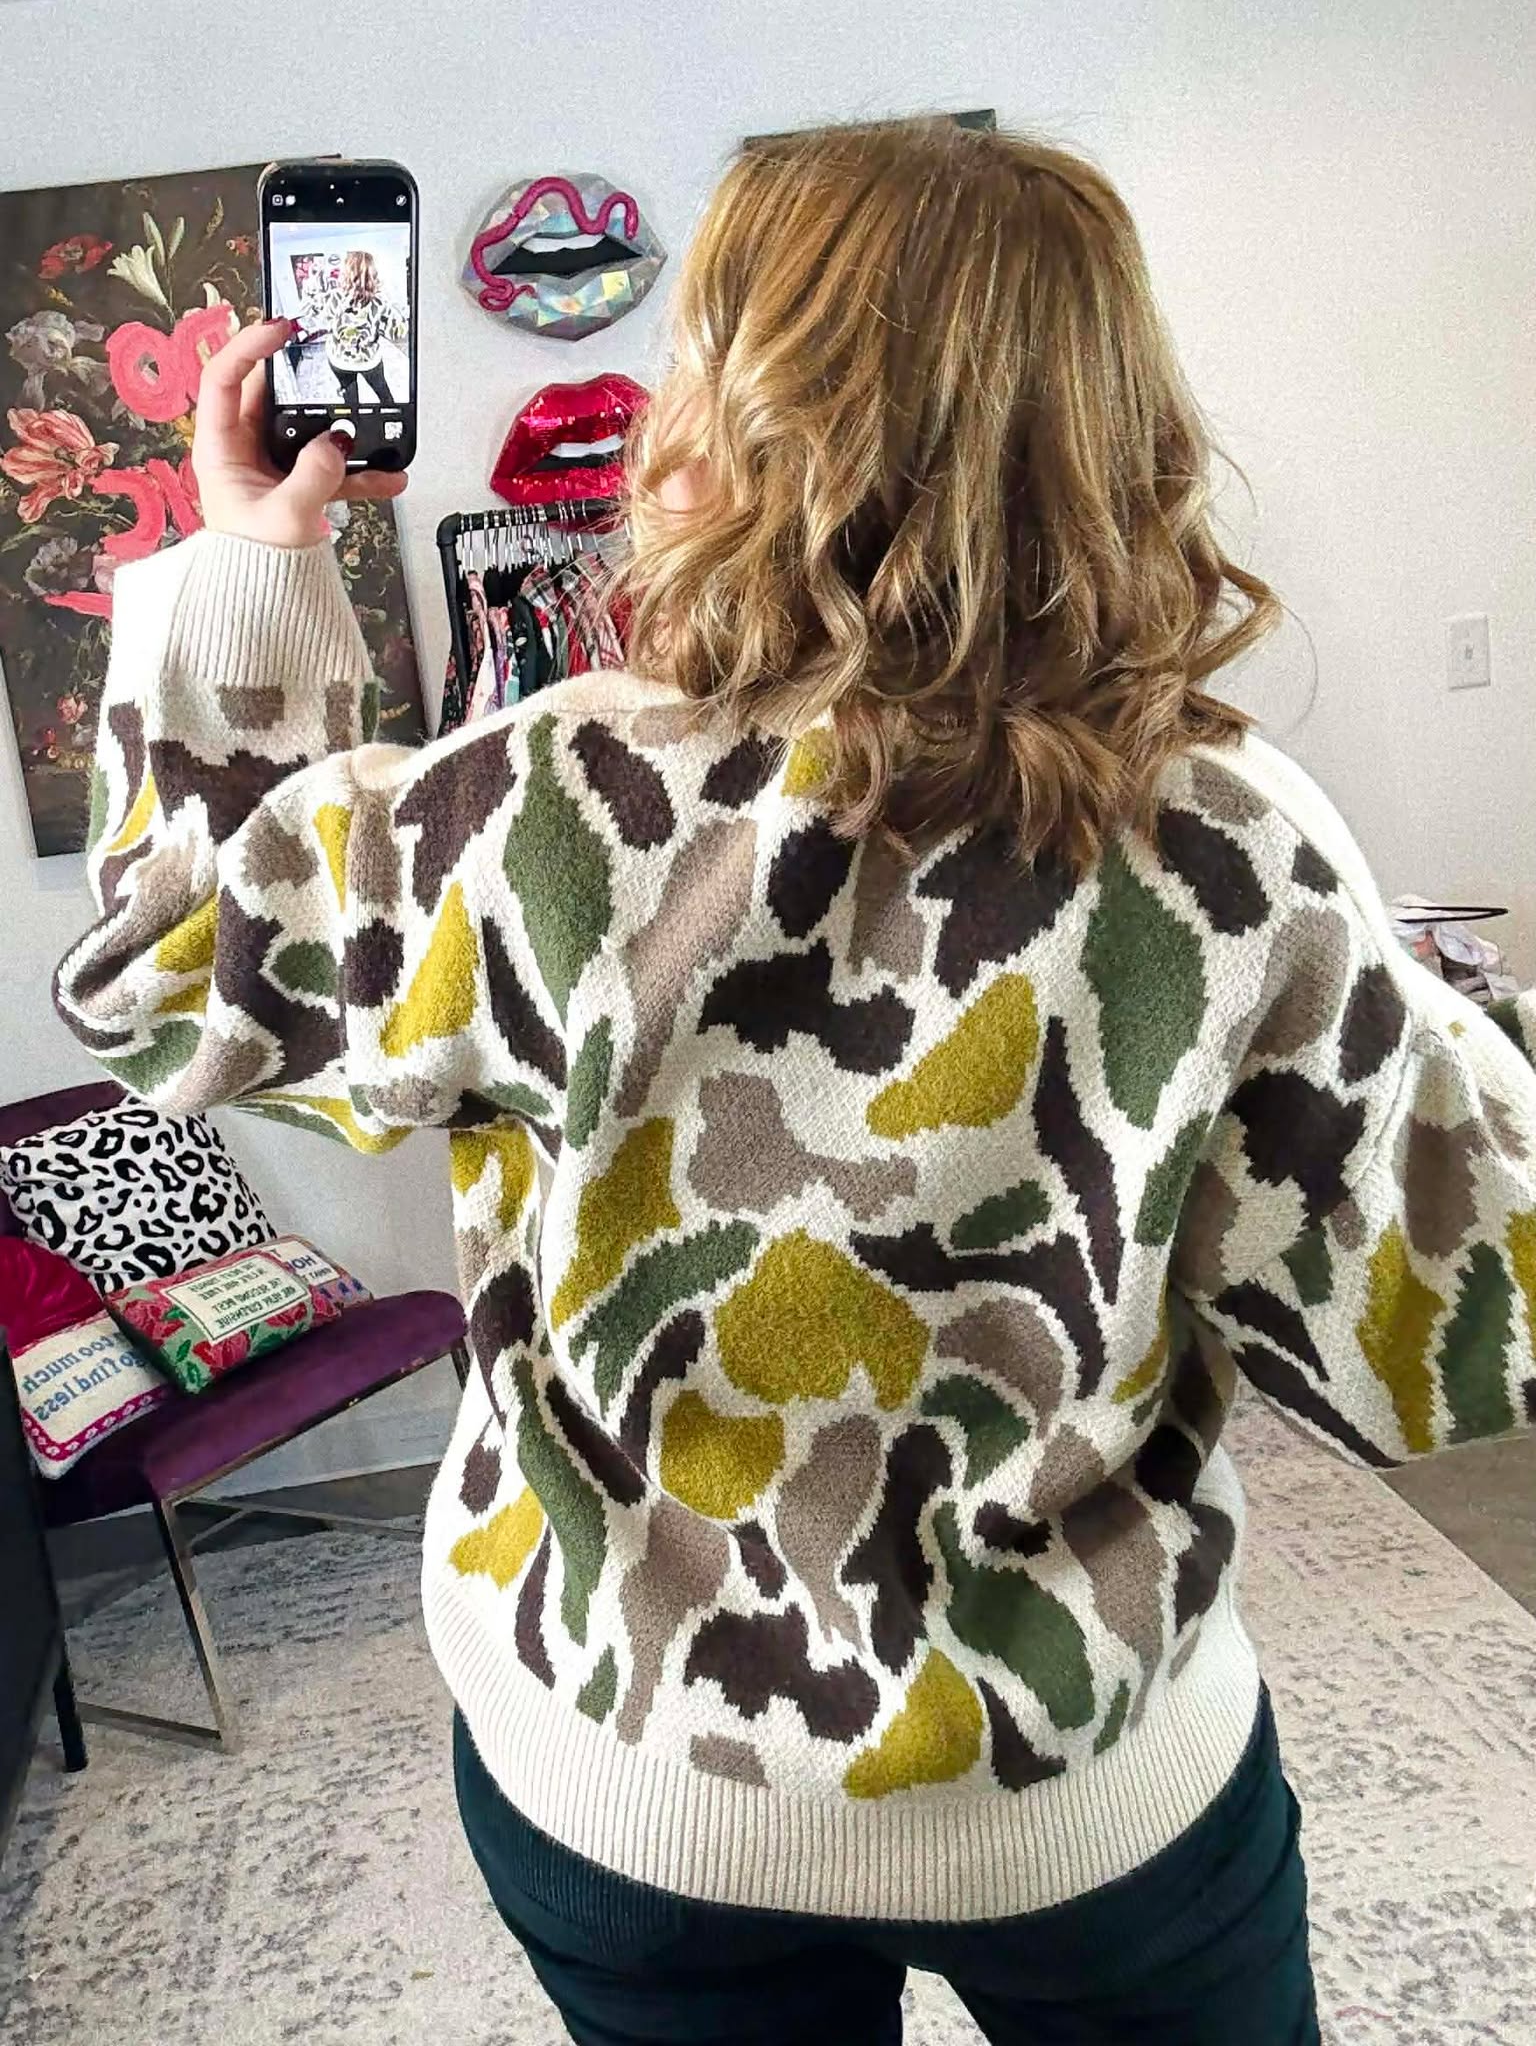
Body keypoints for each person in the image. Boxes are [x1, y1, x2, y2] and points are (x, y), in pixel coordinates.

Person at [55, 118, 1536, 2046]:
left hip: (624, 1772)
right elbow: (1443, 1346)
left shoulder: (529, 806)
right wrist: (1442, 1018)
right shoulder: (1229, 835)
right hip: (1072, 1787)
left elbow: (181, 980)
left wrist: (259, 564)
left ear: (734, 413)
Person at [298, 246, 407, 407]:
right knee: (384, 394)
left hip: (340, 361)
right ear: (373, 274)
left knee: (350, 401)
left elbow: (306, 309)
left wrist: (312, 280)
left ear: (345, 273)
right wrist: (394, 303)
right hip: (369, 360)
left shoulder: (333, 298)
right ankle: (393, 417)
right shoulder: (380, 302)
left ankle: (354, 421)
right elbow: (398, 332)